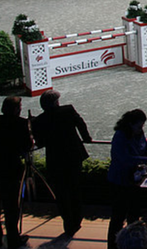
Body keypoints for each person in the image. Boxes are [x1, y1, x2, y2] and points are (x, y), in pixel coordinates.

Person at [31, 90, 92, 237]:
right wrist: (86, 138)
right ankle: (77, 220)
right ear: (56, 102)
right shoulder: (68, 110)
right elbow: (81, 124)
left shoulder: (39, 120)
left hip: (55, 160)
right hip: (73, 157)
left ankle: (68, 224)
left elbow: (40, 142)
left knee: (62, 194)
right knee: (74, 189)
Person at [0, 96, 33, 249]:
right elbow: (27, 145)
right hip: (11, 170)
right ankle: (13, 239)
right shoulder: (21, 123)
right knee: (11, 207)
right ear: (15, 109)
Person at [106, 109, 147, 249]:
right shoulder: (120, 136)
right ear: (130, 124)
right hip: (120, 182)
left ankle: (133, 244)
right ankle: (113, 246)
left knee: (134, 215)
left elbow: (146, 146)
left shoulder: (138, 133)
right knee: (118, 217)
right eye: (139, 126)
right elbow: (124, 159)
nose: (141, 129)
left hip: (135, 181)